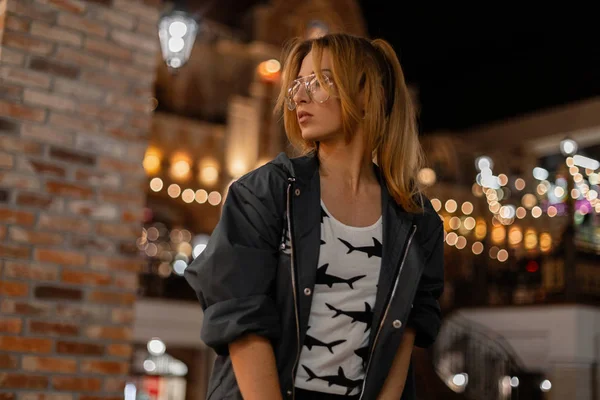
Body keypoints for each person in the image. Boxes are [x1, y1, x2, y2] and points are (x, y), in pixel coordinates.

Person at [184, 33, 444, 400]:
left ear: (367, 94)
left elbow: (403, 338)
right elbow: (243, 325)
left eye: (319, 82)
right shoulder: (266, 192)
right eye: (297, 85)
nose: (300, 98)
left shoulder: (417, 221)